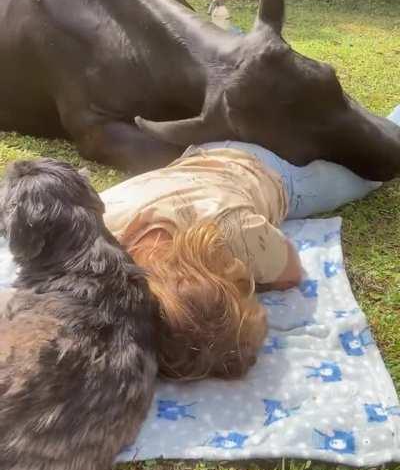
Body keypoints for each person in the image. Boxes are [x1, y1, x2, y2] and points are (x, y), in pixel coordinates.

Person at [102, 104, 400, 381]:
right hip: (207, 148)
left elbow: (290, 272)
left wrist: (250, 278)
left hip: (277, 172)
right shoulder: (98, 228)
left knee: (381, 161)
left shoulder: (232, 232)